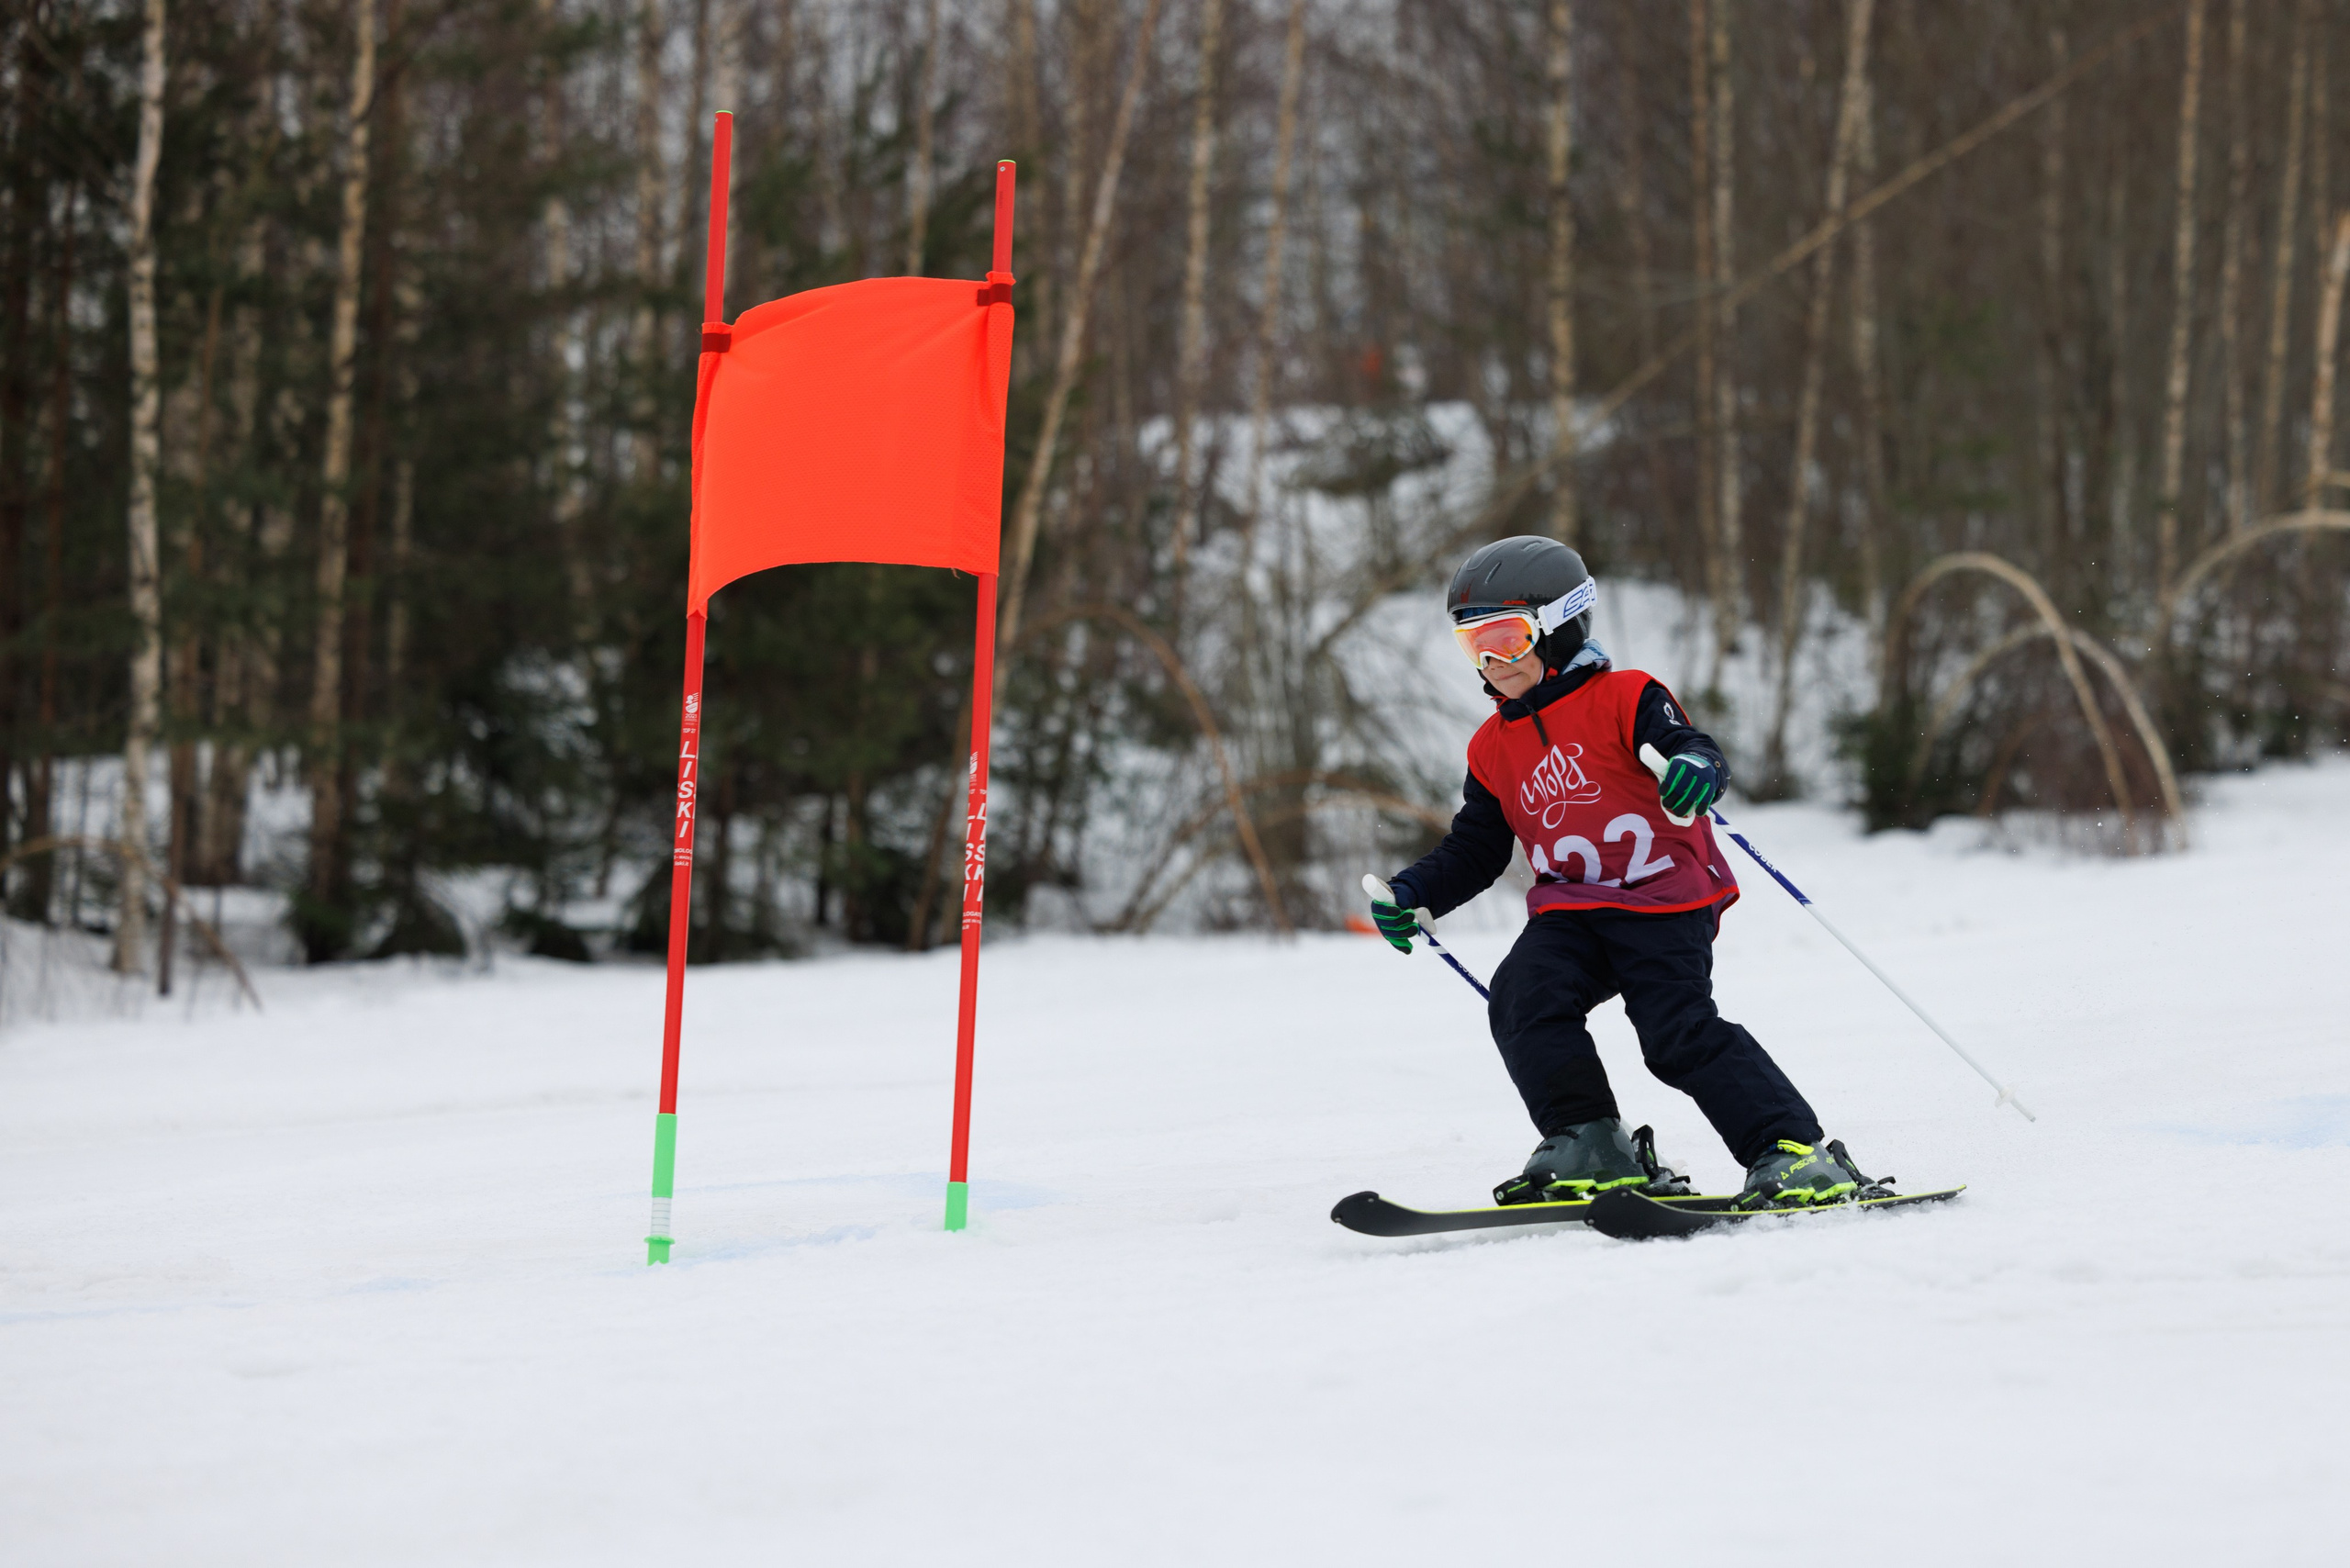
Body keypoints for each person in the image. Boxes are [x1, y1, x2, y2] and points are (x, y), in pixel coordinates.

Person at [1369, 536, 1867, 1209]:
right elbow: (1476, 850)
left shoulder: (1626, 697)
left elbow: (1691, 748)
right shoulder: (1492, 747)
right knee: (1522, 997)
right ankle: (1589, 1140)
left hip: (1661, 901)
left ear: (1560, 626)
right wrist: (1414, 893)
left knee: (1675, 1034)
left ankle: (1791, 1150)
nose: (1490, 662)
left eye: (1507, 640)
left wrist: (1698, 770)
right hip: (1572, 913)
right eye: (1471, 645)